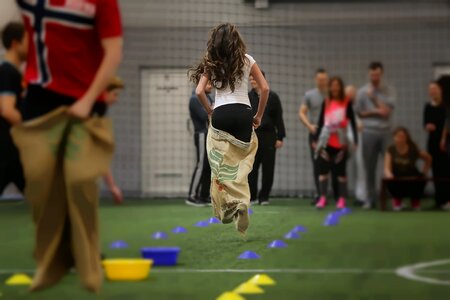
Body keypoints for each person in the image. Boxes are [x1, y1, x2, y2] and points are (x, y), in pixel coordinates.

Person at [12, 0, 123, 293]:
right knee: (42, 185)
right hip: (40, 97)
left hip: (86, 100)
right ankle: (51, 263)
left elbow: (113, 52)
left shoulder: (102, 3)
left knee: (79, 180)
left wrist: (87, 100)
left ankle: (88, 262)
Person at [190, 23, 268, 237]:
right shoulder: (247, 59)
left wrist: (209, 111)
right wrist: (258, 115)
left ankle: (228, 204)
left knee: (218, 163)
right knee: (242, 159)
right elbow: (264, 88)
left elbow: (199, 91)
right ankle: (241, 201)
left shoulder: (211, 62)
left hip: (221, 113)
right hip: (244, 113)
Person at [355, 62, 396, 209]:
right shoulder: (361, 92)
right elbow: (359, 113)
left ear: (381, 74)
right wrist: (376, 112)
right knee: (369, 167)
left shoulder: (389, 91)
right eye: (372, 75)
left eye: (377, 75)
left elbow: (386, 113)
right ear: (369, 74)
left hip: (386, 133)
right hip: (368, 133)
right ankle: (370, 199)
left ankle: (393, 199)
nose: (374, 77)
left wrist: (373, 99)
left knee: (390, 167)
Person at [315, 77, 358, 209]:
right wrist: (317, 140)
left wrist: (355, 139)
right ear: (330, 88)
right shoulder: (326, 102)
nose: (334, 88)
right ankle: (322, 198)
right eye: (332, 85)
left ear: (340, 87)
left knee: (341, 172)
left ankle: (342, 199)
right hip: (326, 142)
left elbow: (352, 122)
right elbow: (321, 122)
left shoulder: (346, 102)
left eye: (337, 85)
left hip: (341, 143)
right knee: (323, 171)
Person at [299, 69, 339, 203]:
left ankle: (338, 195)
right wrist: (310, 126)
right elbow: (302, 113)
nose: (322, 82)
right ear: (316, 80)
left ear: (328, 80)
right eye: (320, 79)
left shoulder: (334, 94)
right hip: (316, 134)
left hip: (333, 134)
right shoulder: (309, 95)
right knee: (318, 164)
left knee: (335, 163)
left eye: (324, 79)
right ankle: (320, 195)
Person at [248, 72, 286, 206]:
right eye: (250, 78)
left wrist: (280, 136)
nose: (252, 80)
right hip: (252, 137)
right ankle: (252, 197)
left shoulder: (273, 97)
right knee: (251, 168)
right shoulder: (247, 97)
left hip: (269, 136)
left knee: (268, 168)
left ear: (261, 79)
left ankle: (264, 197)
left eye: (254, 77)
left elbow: (278, 118)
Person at [0, 22, 27, 195]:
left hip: (13, 152)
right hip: (6, 153)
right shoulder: (6, 73)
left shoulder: (14, 74)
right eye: (29, 42)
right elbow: (7, 110)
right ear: (16, 44)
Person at [384, 127, 432, 211]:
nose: (400, 138)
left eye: (402, 136)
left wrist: (425, 172)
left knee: (420, 180)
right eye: (398, 136)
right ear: (394, 137)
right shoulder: (390, 149)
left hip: (412, 174)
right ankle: (397, 201)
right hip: (397, 175)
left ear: (406, 137)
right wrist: (389, 175)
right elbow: (387, 168)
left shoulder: (413, 149)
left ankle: (415, 201)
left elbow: (428, 158)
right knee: (390, 180)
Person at [186, 81, 213, 207]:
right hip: (201, 134)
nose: (211, 86)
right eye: (208, 84)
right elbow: (204, 116)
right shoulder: (194, 99)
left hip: (209, 135)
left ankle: (203, 195)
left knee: (208, 167)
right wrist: (212, 109)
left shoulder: (208, 98)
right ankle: (191, 196)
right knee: (201, 165)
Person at [102, 76, 125, 204]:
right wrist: (112, 186)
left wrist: (112, 186)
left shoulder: (100, 112)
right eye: (114, 94)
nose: (116, 99)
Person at [346, 85, 367, 203]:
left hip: (360, 140)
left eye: (352, 93)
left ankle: (362, 196)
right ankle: (341, 195)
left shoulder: (360, 107)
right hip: (347, 140)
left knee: (361, 167)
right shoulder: (343, 107)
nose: (350, 95)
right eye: (348, 93)